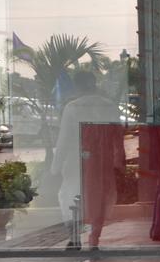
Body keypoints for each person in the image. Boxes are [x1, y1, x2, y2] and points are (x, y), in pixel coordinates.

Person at [51, 70, 123, 247]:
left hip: (76, 161)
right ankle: (94, 239)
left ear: (77, 86)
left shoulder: (73, 107)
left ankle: (74, 238)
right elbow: (118, 138)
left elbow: (64, 139)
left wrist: (55, 166)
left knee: (70, 197)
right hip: (102, 162)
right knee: (99, 198)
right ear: (94, 83)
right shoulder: (109, 106)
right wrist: (119, 161)